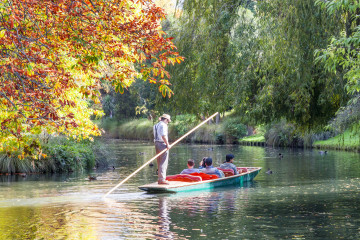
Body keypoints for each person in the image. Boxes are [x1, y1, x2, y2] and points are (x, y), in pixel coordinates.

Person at [154, 113, 171, 184]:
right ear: (166, 120)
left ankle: (160, 178)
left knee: (159, 161)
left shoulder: (156, 125)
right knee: (163, 162)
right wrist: (167, 144)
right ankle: (162, 179)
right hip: (162, 144)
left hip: (156, 143)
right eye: (168, 121)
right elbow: (163, 136)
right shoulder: (163, 125)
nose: (168, 123)